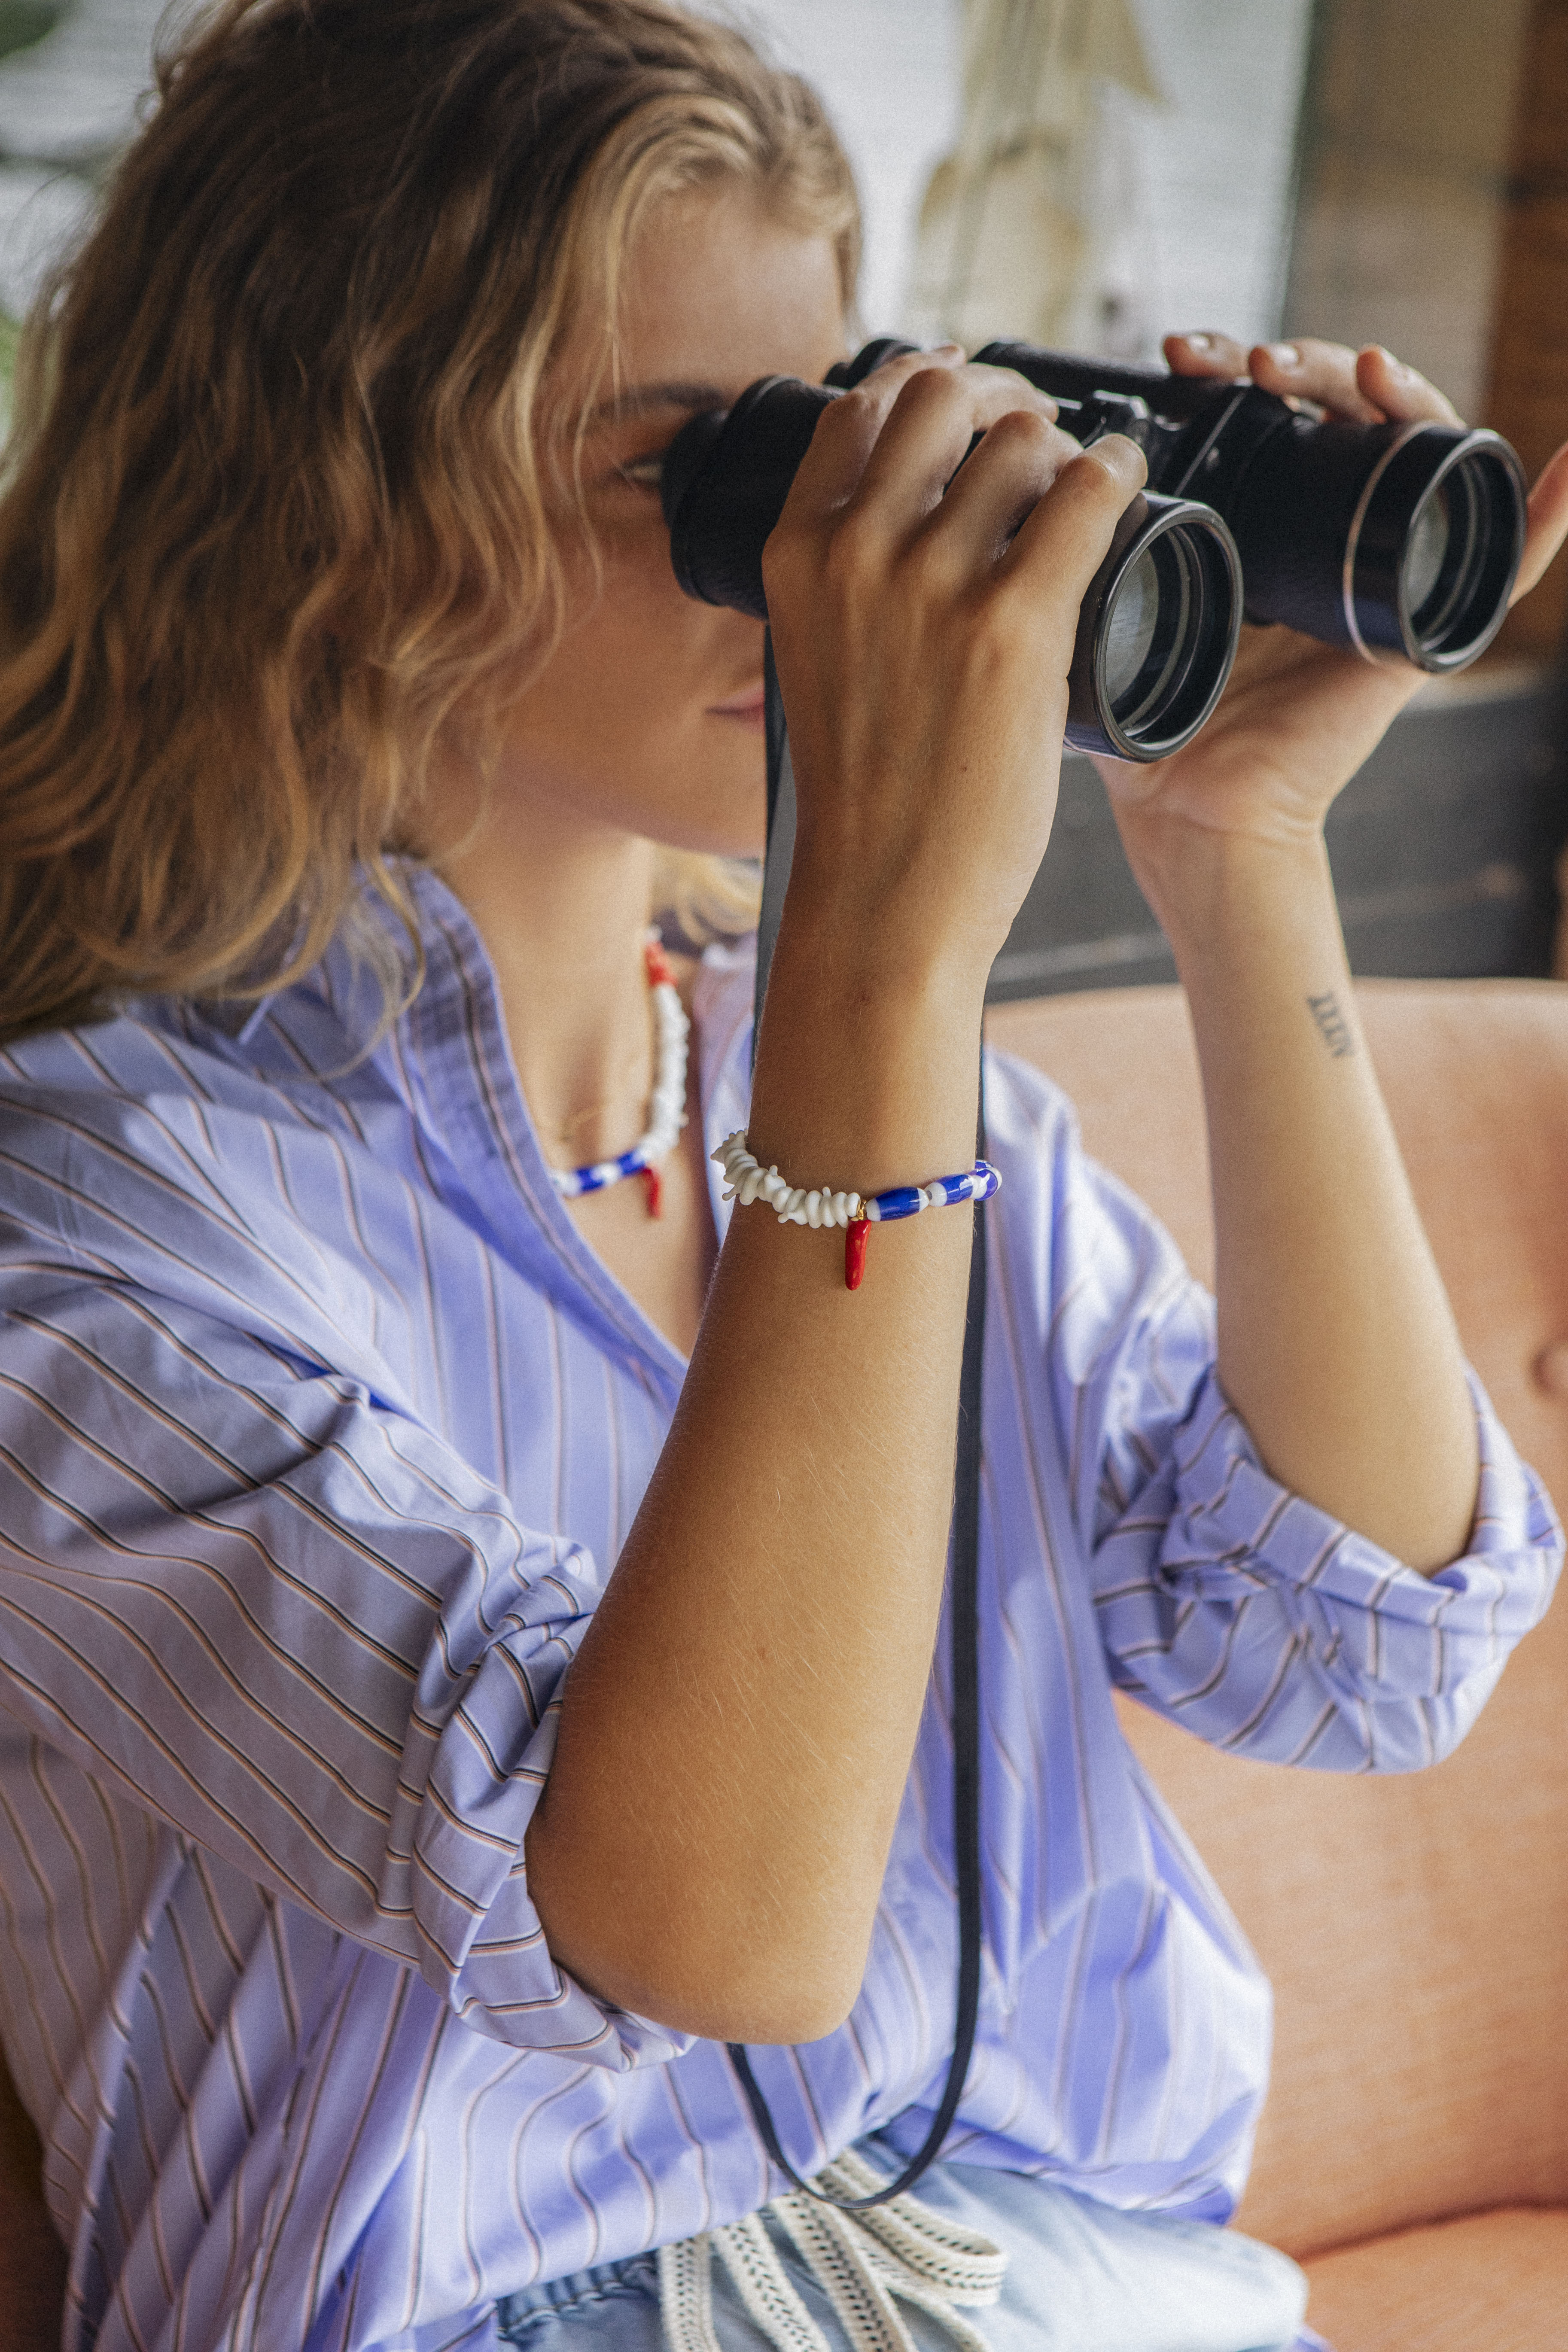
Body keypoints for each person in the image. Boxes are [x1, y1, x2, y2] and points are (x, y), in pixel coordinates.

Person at [0, 5, 1565, 2350]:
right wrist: (875, 963)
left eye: (837, 436)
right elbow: (699, 1923)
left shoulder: (901, 1113)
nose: (836, 559)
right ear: (330, 497)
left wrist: (1237, 852)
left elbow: (1355, 1643)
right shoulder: (103, 1227)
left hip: (1081, 2289)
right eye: (705, 468)